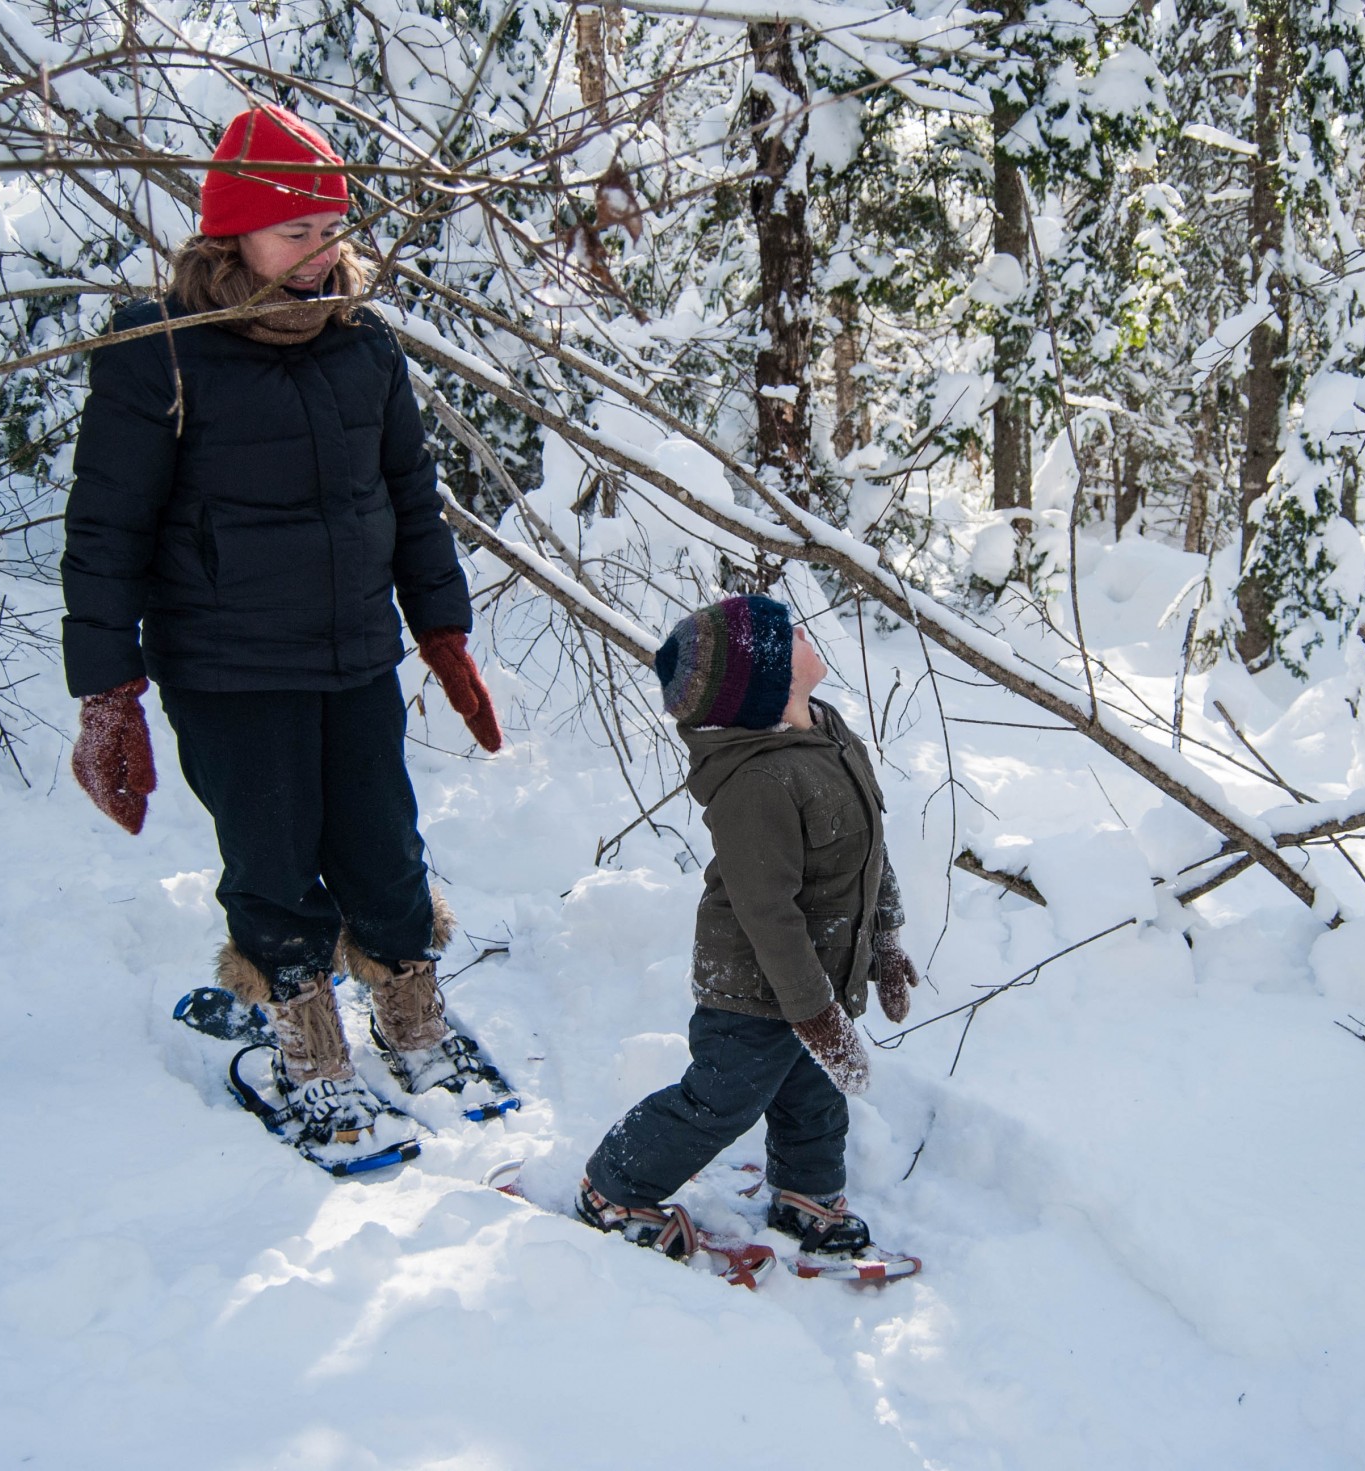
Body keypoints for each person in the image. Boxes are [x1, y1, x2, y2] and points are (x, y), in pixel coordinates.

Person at [62, 104, 512, 1161]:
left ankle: (411, 1013)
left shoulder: (362, 342)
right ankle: (304, 1041)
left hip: (354, 651)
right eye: (293, 231)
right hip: (228, 665)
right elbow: (106, 531)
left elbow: (409, 496)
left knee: (384, 845)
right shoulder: (159, 353)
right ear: (233, 234)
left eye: (329, 229)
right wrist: (107, 691)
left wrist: (441, 630)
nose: (318, 251)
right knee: (271, 856)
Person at [576, 595, 922, 1262]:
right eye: (788, 636)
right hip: (753, 984)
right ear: (768, 679)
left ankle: (806, 1197)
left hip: (820, 974)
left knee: (813, 1095)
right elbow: (769, 915)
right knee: (722, 1099)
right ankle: (612, 1187)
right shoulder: (758, 782)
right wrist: (816, 1016)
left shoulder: (829, 732)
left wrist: (884, 935)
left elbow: (870, 848)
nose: (804, 634)